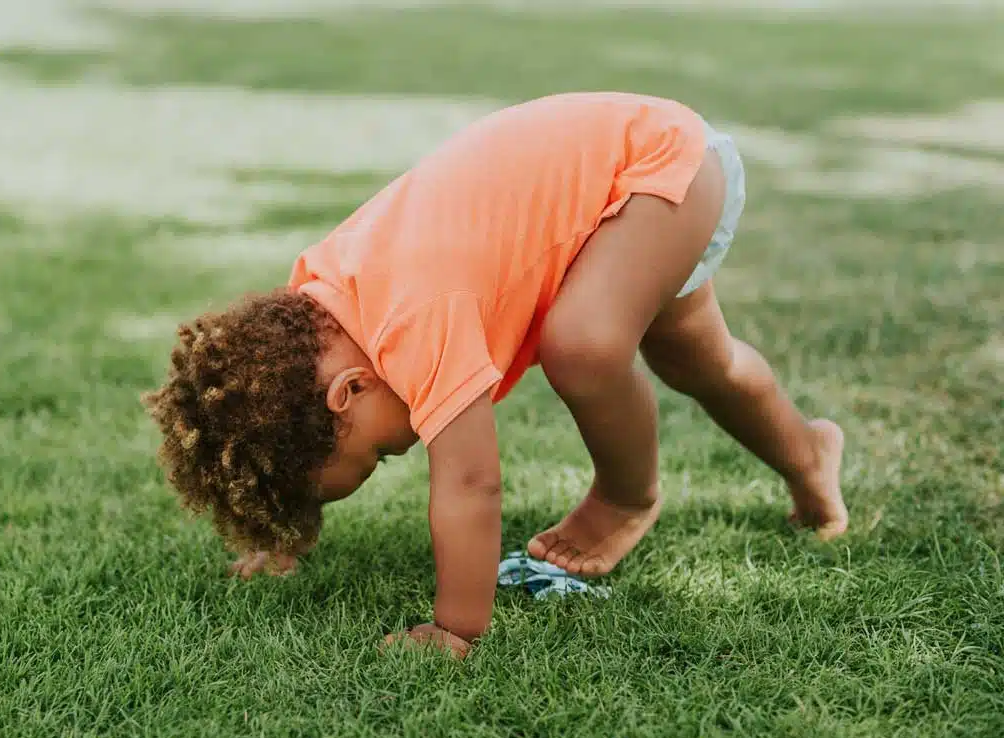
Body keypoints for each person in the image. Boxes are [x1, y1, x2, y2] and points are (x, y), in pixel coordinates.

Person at [144, 92, 848, 658]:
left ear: (348, 391)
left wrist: (456, 626)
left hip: (655, 167)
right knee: (704, 361)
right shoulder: (320, 311)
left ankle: (626, 498)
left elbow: (471, 480)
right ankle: (807, 451)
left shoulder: (414, 315)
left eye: (383, 452)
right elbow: (284, 431)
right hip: (618, 193)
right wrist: (279, 534)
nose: (409, 444)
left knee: (582, 346)